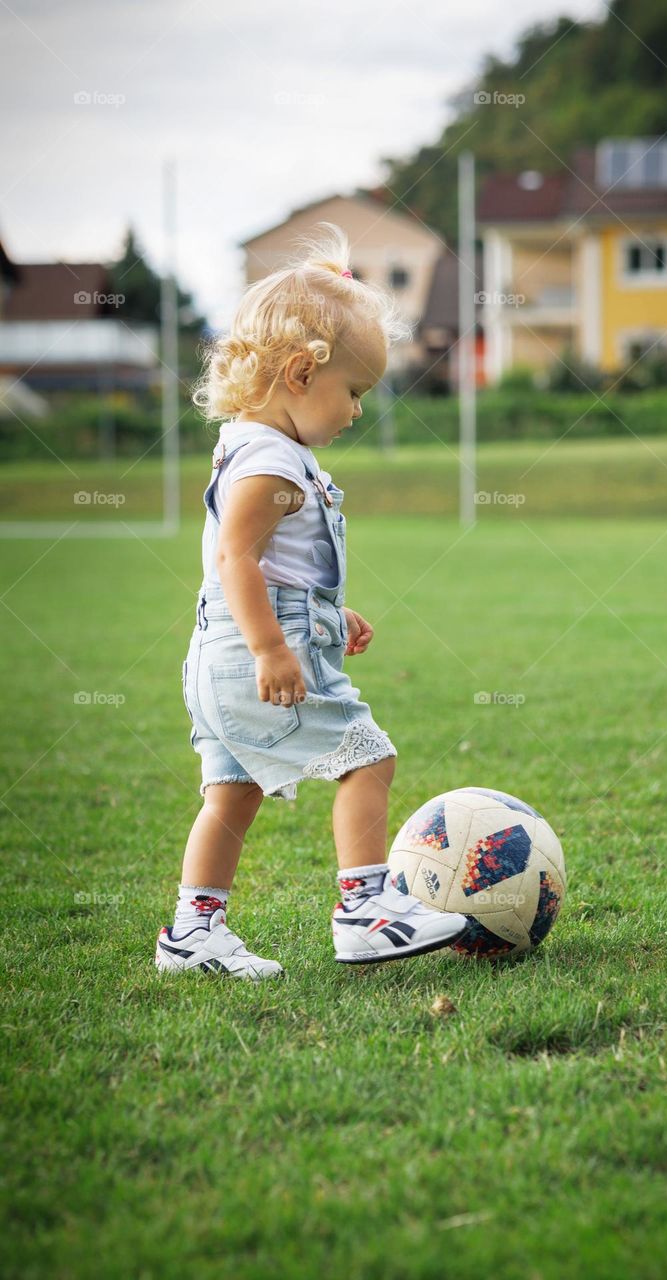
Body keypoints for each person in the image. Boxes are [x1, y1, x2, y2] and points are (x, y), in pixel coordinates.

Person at [156, 222, 468, 979]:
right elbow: (237, 555)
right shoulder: (271, 460)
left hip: (217, 658)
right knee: (370, 760)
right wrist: (273, 647)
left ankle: (192, 935)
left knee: (229, 794)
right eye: (353, 392)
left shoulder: (246, 442)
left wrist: (331, 614)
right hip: (254, 649)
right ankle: (366, 910)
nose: (357, 411)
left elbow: (279, 566)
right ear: (300, 372)